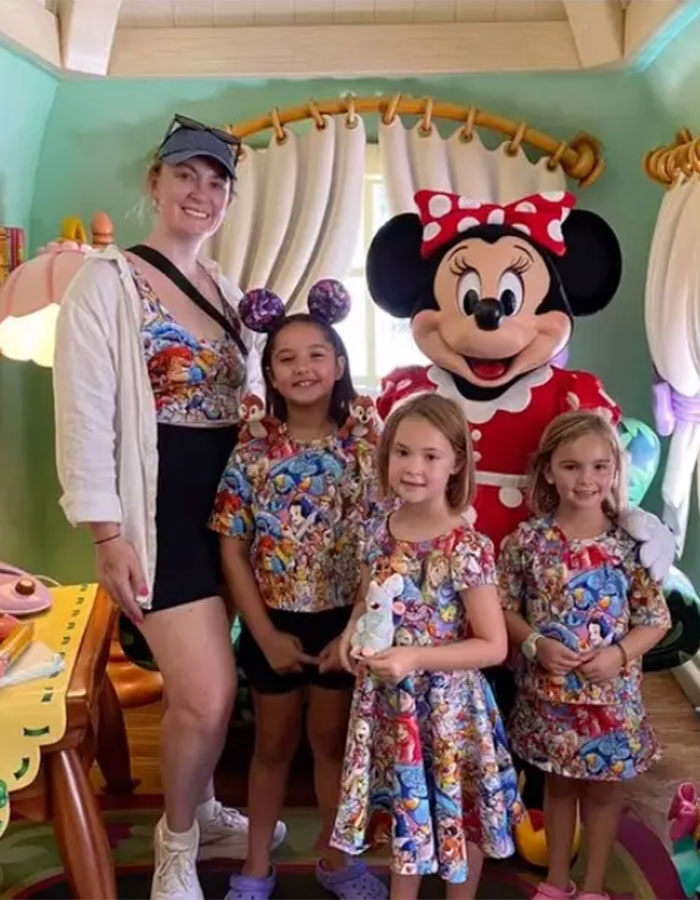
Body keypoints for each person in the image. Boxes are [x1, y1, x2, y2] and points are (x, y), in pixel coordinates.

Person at [53, 114, 284, 900]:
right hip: (158, 517)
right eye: (186, 174)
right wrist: (106, 534)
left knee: (206, 690)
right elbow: (85, 412)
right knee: (208, 695)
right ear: (155, 182)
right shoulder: (106, 283)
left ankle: (207, 810)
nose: (201, 192)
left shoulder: (228, 291)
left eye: (217, 182)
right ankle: (175, 845)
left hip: (232, 517)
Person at [210, 284, 387, 900]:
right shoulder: (252, 454)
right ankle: (256, 865)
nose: (302, 367)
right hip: (273, 624)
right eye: (286, 357)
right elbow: (231, 548)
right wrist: (263, 635)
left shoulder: (366, 451)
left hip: (343, 625)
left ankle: (338, 862)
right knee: (273, 746)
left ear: (338, 365)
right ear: (270, 373)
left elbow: (381, 548)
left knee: (332, 745)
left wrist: (355, 630)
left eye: (316, 354)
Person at [331, 393, 522, 900]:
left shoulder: (465, 547)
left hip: (447, 712)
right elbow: (369, 600)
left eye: (430, 456)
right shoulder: (378, 531)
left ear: (456, 462)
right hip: (390, 707)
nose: (413, 468)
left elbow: (493, 646)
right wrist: (351, 633)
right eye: (402, 452)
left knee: (460, 814)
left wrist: (414, 657)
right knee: (406, 814)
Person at [497, 410, 671, 900]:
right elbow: (503, 608)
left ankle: (594, 886)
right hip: (548, 698)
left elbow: (655, 619)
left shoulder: (631, 546)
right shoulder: (527, 542)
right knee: (557, 788)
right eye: (571, 466)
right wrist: (534, 643)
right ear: (549, 470)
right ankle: (557, 880)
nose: (586, 479)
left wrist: (619, 654)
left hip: (611, 702)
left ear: (615, 470)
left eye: (599, 466)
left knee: (604, 792)